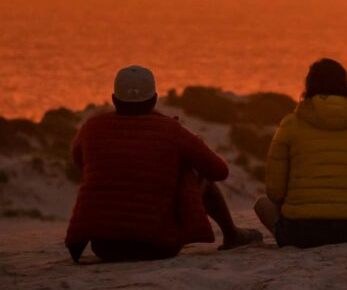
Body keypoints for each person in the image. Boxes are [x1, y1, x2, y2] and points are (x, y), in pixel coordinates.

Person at [65, 65, 262, 262]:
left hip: (104, 248)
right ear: (154, 99)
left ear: (114, 99)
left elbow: (79, 162)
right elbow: (219, 171)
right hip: (157, 247)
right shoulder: (171, 130)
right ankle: (232, 235)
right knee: (192, 171)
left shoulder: (91, 127)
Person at [254, 58, 347, 248]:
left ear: (308, 85)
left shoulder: (291, 124)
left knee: (262, 205)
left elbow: (275, 192)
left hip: (301, 233)